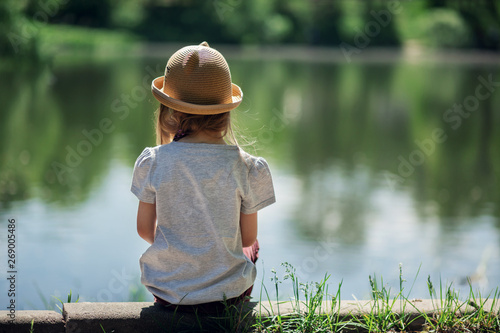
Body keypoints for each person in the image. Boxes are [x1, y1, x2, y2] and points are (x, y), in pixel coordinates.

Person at [131, 42, 276, 314]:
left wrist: (183, 245)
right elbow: (247, 238)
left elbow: (144, 230)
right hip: (229, 295)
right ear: (226, 112)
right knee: (252, 246)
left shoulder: (154, 161)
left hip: (169, 293)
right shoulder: (247, 167)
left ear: (170, 112)